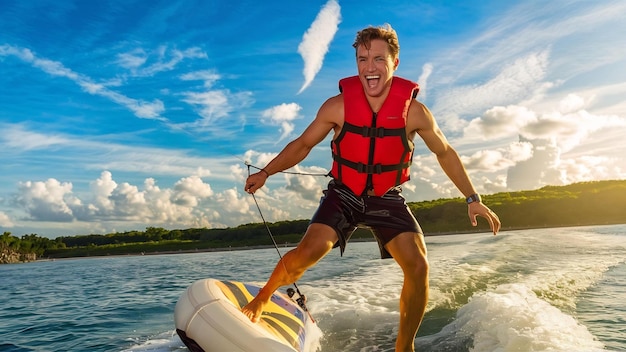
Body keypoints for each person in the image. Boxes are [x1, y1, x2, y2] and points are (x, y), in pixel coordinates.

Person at [242, 24, 501, 351]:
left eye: (378, 59)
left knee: (418, 266)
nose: (370, 68)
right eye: (363, 59)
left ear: (395, 62)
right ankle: (263, 298)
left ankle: (403, 347)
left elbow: (444, 152)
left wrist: (472, 198)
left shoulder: (415, 113)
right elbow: (303, 144)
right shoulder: (337, 106)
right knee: (311, 251)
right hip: (343, 194)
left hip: (387, 198)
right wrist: (266, 172)